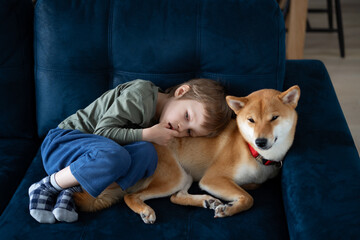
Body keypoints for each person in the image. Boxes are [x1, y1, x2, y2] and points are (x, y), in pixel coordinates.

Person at [28, 78, 232, 224]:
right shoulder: (141, 93)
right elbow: (102, 132)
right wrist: (147, 134)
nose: (181, 128)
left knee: (147, 154)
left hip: (87, 163)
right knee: (119, 153)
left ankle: (72, 188)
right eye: (187, 116)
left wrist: (148, 139)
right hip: (62, 144)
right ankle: (44, 187)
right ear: (180, 92)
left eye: (189, 132)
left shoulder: (160, 121)